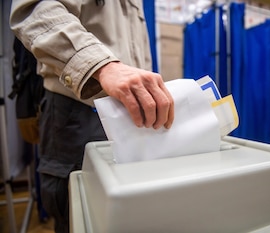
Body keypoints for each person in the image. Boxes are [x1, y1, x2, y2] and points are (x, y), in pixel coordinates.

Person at [10, 1, 174, 232]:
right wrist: (102, 66)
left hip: (129, 118)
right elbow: (35, 9)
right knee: (79, 216)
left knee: (123, 213)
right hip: (77, 111)